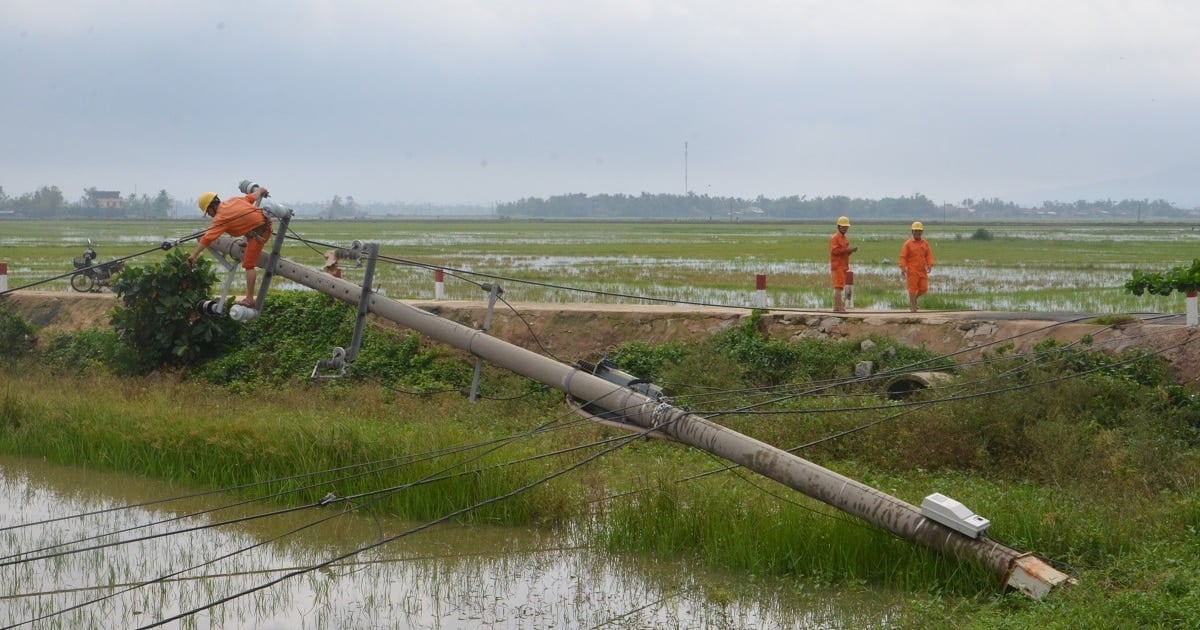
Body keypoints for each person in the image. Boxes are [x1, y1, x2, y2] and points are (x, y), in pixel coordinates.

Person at [187, 185, 273, 307]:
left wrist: (194, 255)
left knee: (248, 264)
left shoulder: (221, 218)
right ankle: (247, 241)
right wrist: (261, 190)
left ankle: (249, 299)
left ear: (212, 207)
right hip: (265, 223)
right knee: (243, 224)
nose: (210, 215)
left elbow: (207, 238)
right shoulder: (233, 200)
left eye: (208, 212)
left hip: (260, 233)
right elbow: (252, 197)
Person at [899, 221, 934, 312]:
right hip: (912, 270)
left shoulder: (925, 243)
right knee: (912, 289)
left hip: (922, 270)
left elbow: (928, 255)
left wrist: (930, 264)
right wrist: (903, 268)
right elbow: (903, 257)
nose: (917, 233)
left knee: (924, 289)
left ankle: (914, 300)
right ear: (912, 232)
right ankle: (913, 307)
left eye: (919, 231)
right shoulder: (908, 244)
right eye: (916, 231)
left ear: (921, 232)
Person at [828, 215, 858, 313]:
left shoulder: (844, 238)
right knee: (838, 287)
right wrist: (847, 250)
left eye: (846, 227)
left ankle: (838, 307)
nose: (845, 228)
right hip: (837, 266)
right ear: (839, 226)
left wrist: (850, 251)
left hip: (843, 266)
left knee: (840, 287)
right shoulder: (835, 238)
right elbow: (834, 251)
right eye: (843, 227)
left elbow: (844, 252)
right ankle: (838, 308)